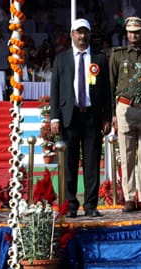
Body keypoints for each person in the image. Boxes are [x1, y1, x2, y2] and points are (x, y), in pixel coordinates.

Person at [49, 17, 112, 217]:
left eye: (85, 32)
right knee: (69, 162)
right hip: (70, 116)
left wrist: (108, 117)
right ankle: (71, 205)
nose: (82, 36)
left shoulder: (100, 58)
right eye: (78, 32)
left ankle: (91, 205)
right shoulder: (62, 59)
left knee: (92, 162)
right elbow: (55, 90)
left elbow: (106, 91)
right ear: (72, 35)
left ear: (90, 34)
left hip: (92, 117)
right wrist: (54, 118)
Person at [109, 15, 141, 211]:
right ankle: (129, 197)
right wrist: (112, 114)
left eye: (137, 32)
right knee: (126, 154)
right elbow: (111, 85)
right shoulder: (117, 55)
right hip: (124, 107)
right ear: (126, 33)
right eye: (130, 32)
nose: (134, 36)